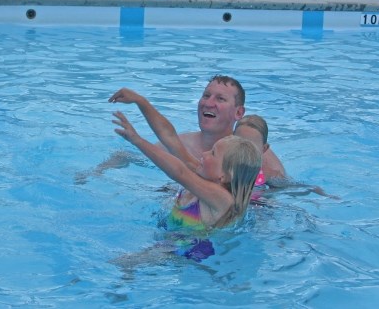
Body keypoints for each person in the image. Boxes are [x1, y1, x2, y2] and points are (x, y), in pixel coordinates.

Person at [107, 75, 286, 181]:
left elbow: (284, 190)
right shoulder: (183, 144)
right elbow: (135, 155)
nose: (209, 103)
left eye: (220, 99)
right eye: (206, 95)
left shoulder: (255, 155)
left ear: (238, 112)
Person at [112, 110, 262, 228]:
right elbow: (171, 139)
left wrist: (138, 141)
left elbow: (179, 172)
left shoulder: (223, 199)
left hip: (189, 254)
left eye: (213, 153)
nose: (204, 153)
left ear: (224, 175)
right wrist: (140, 102)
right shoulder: (203, 175)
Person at [235, 114, 287, 184]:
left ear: (264, 149)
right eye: (240, 143)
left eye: (251, 146)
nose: (244, 150)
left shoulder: (270, 176)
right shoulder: (222, 165)